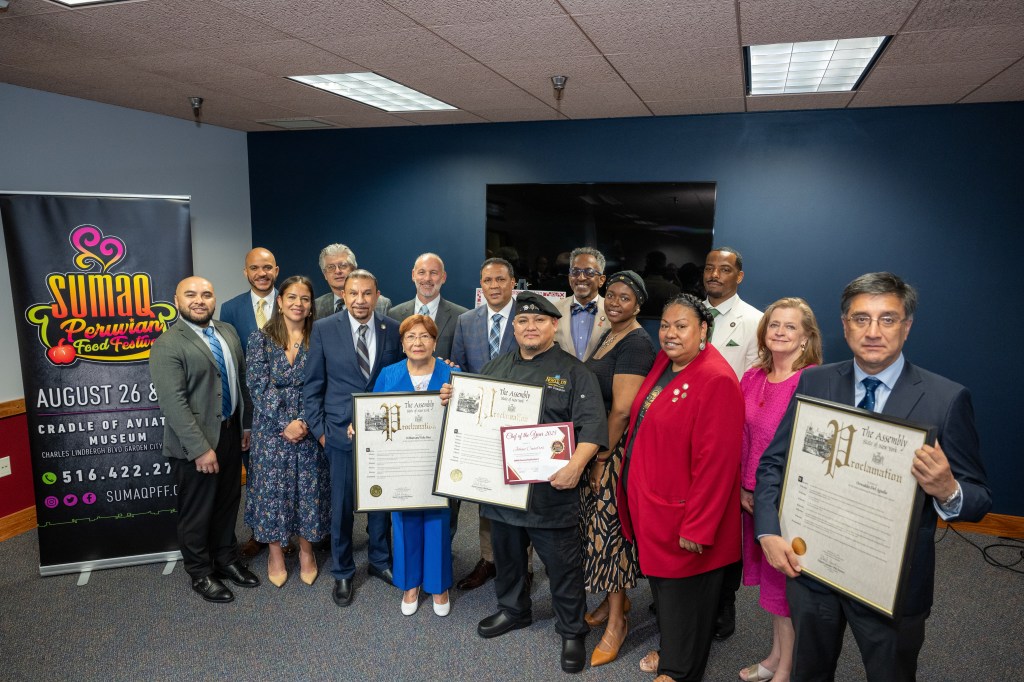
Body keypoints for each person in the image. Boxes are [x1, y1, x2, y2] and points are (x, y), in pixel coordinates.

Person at [754, 272, 991, 681]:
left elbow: (979, 498)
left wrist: (948, 491)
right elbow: (775, 463)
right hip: (813, 569)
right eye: (861, 319)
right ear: (845, 326)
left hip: (891, 587)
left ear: (907, 326)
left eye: (888, 319)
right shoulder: (815, 380)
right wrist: (767, 532)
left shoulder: (946, 399)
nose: (873, 331)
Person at [458, 291, 607, 674]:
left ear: (553, 326)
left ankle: (572, 629)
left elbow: (592, 426)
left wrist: (576, 466)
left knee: (562, 566)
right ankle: (513, 610)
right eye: (523, 321)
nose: (530, 327)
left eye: (539, 320)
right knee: (507, 558)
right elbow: (473, 418)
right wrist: (455, 398)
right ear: (514, 326)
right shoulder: (496, 368)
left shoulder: (574, 372)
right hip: (502, 489)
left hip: (551, 491)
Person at [618, 293, 743, 681]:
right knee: (667, 597)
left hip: (685, 516)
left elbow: (718, 465)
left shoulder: (716, 379)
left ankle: (679, 670)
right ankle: (672, 648)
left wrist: (698, 526)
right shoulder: (667, 362)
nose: (670, 334)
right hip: (653, 506)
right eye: (666, 325)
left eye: (681, 326)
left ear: (703, 330)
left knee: (686, 600)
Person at [149, 276, 259, 603]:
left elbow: (240, 381)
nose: (200, 300)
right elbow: (173, 403)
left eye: (207, 294)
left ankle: (226, 559)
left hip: (229, 432)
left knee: (228, 503)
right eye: (192, 294)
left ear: (214, 299)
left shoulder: (227, 332)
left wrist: (245, 427)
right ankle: (200, 572)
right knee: (197, 512)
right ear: (177, 300)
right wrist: (200, 449)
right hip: (195, 444)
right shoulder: (168, 343)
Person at [304, 269, 402, 607]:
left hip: (382, 438)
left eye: (367, 294)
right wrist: (320, 433)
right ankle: (343, 571)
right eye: (353, 294)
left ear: (377, 295)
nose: (360, 301)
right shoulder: (323, 329)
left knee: (380, 502)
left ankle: (379, 561)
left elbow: (399, 380)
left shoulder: (392, 330)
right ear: (343, 295)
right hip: (338, 436)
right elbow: (313, 386)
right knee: (342, 508)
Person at [737, 298, 823, 682]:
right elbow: (740, 436)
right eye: (774, 325)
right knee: (770, 588)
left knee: (786, 587)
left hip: (791, 502)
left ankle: (787, 668)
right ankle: (774, 656)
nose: (780, 332)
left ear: (806, 337)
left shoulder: (814, 381)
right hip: (753, 498)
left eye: (790, 327)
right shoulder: (753, 376)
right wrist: (742, 486)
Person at [579, 270, 656, 667]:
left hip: (614, 451)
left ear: (638, 305)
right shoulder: (610, 333)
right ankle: (616, 607)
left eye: (624, 298)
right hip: (599, 444)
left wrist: (602, 457)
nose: (614, 303)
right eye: (611, 295)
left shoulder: (638, 344)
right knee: (600, 530)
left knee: (610, 537)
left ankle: (615, 626)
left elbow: (623, 409)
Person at [243, 275, 330, 588]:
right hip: (271, 430)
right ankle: (275, 553)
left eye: (305, 299)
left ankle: (307, 551)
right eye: (291, 297)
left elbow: (324, 383)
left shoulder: (320, 337)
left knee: (309, 492)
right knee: (273, 493)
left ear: (311, 306)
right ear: (279, 302)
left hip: (310, 425)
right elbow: (257, 384)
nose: (298, 303)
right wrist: (285, 422)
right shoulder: (259, 338)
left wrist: (305, 421)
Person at [371, 315, 455, 616]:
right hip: (400, 466)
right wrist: (360, 427)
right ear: (402, 342)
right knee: (403, 521)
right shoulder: (388, 375)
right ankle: (410, 584)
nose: (417, 342)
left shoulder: (452, 374)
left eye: (424, 336)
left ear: (434, 341)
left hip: (437, 463)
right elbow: (374, 417)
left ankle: (439, 584)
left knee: (437, 522)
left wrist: (455, 399)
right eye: (410, 337)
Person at [703, 245, 763, 639]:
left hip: (729, 441)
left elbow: (756, 390)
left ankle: (722, 611)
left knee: (725, 533)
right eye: (710, 268)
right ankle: (691, 596)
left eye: (724, 269)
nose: (715, 274)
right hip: (691, 439)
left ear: (738, 276)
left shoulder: (755, 321)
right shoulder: (690, 315)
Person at [448, 257, 518, 590]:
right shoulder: (466, 320)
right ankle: (488, 560)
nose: (493, 286)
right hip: (478, 425)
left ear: (512, 283)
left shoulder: (528, 317)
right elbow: (459, 366)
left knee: (517, 495)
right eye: (487, 280)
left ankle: (522, 564)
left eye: (500, 280)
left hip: (516, 423)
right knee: (484, 494)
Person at [219, 246, 280, 560]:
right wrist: (244, 421)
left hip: (288, 409)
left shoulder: (292, 303)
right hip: (250, 412)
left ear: (276, 270)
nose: (262, 273)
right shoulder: (230, 310)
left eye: (267, 267)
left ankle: (288, 533)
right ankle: (260, 534)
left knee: (288, 474)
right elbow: (232, 364)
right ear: (246, 272)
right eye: (255, 268)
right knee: (255, 475)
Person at [387, 252, 469, 361]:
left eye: (433, 273)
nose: (427, 278)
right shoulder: (394, 315)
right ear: (413, 275)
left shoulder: (461, 317)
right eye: (421, 272)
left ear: (443, 277)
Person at [554, 247, 611, 362]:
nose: (581, 278)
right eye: (575, 272)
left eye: (589, 272)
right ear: (570, 277)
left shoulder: (613, 311)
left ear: (601, 280)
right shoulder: (554, 310)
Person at [314, 243, 392, 318]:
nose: (337, 271)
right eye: (331, 267)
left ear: (354, 269)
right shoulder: (316, 307)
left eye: (343, 265)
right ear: (324, 274)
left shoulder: (382, 304)